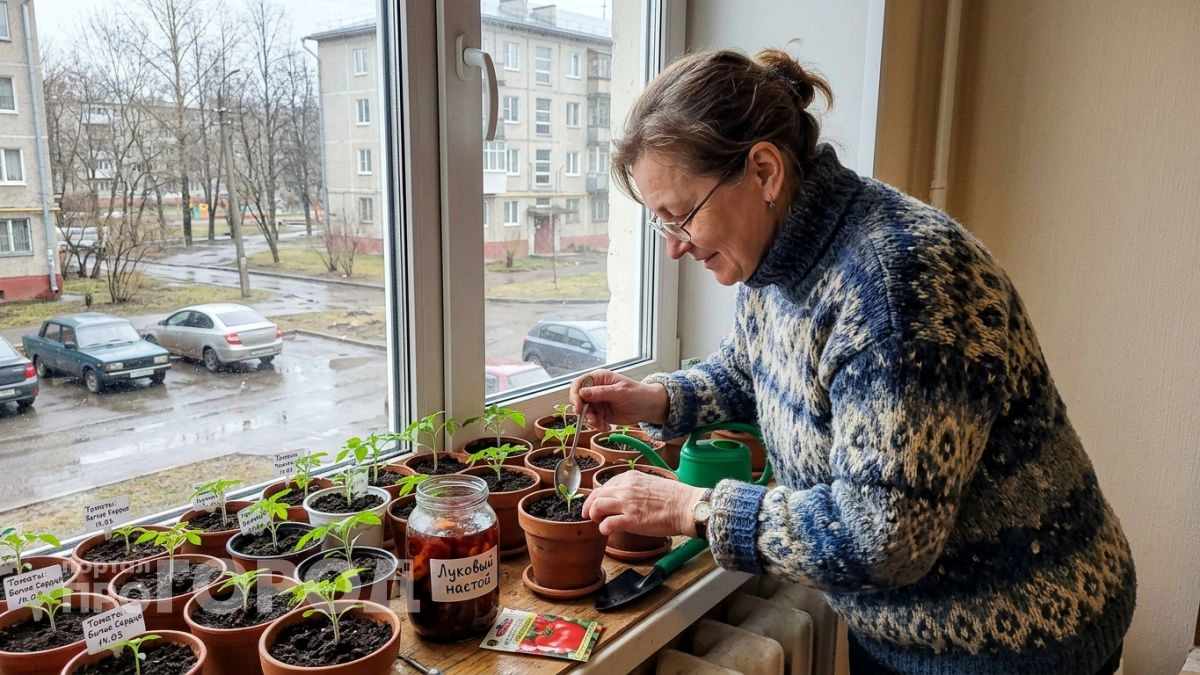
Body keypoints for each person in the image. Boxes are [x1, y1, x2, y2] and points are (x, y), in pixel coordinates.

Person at [572, 47, 1134, 675]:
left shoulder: (900, 286)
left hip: (1017, 639)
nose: (675, 247)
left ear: (763, 171)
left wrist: (693, 507)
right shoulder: (776, 257)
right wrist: (657, 400)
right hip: (901, 626)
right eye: (661, 223)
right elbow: (753, 368)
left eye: (682, 216)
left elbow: (883, 536)